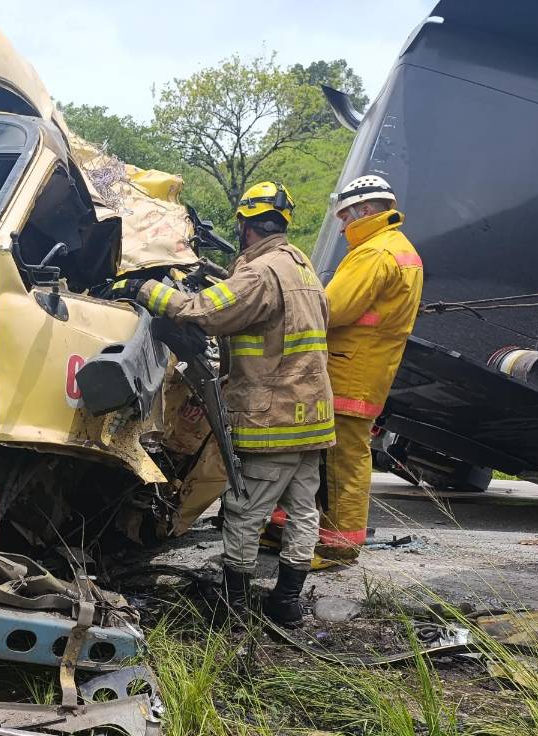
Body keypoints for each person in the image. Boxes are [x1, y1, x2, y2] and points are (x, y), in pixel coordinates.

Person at [112, 181, 335, 625]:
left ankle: (232, 607)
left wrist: (144, 289)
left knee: (244, 510)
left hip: (273, 418)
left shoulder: (261, 272)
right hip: (311, 417)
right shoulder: (303, 268)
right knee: (303, 511)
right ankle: (286, 603)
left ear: (246, 227)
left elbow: (202, 311)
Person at [318, 175, 423, 563]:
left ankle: (338, 547)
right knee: (337, 456)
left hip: (348, 370)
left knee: (343, 459)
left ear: (364, 210)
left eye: (344, 216)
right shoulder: (398, 248)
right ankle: (293, 530)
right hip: (367, 371)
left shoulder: (373, 253)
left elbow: (331, 308)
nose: (342, 226)